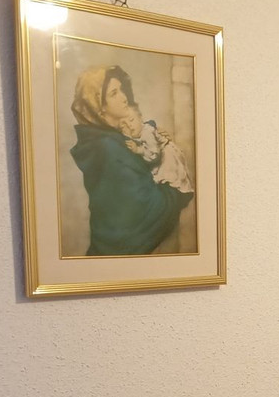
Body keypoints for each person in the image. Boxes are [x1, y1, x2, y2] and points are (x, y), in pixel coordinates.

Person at [69, 66, 194, 255]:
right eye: (114, 93)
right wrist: (175, 194)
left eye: (121, 90)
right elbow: (142, 208)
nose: (123, 97)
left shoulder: (115, 137)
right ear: (100, 109)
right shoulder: (107, 148)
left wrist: (155, 142)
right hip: (115, 256)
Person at [117, 103, 194, 194]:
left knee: (172, 179)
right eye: (124, 125)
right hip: (157, 157)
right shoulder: (134, 134)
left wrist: (138, 150)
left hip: (167, 157)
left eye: (131, 120)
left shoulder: (147, 133)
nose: (129, 125)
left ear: (141, 118)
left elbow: (154, 154)